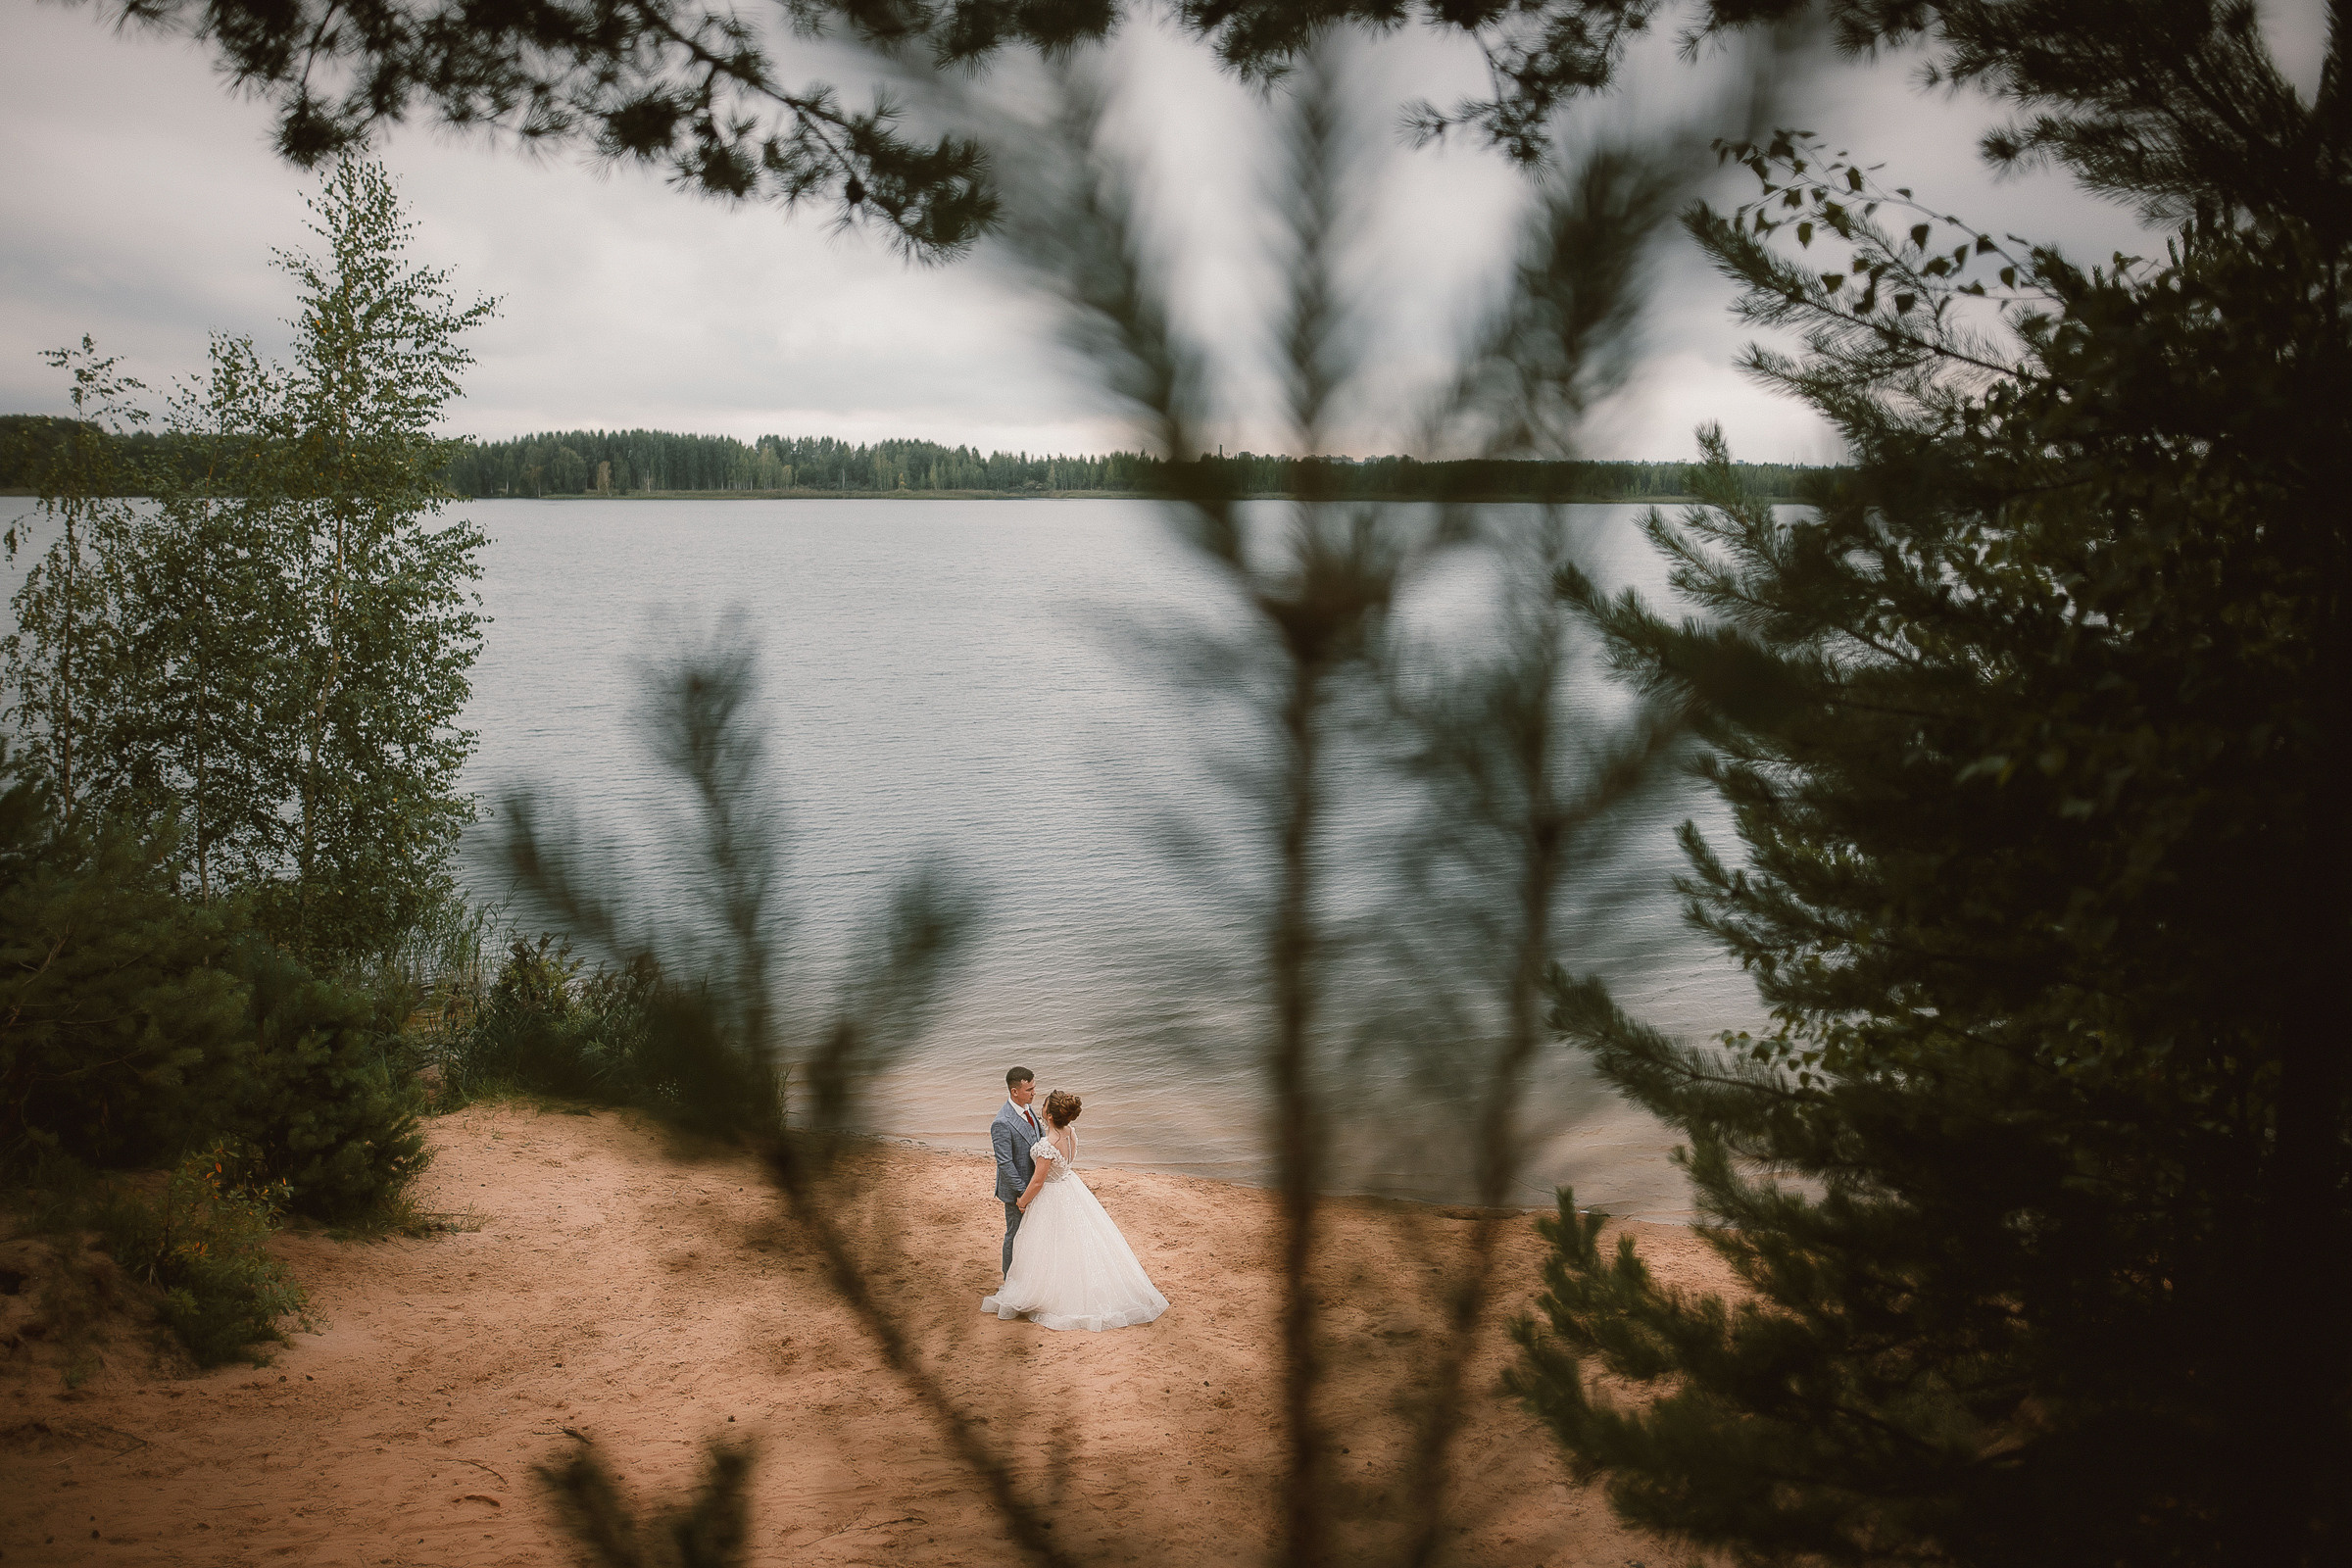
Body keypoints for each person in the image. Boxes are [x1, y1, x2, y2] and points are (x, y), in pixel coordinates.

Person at [982, 1088, 1169, 1332]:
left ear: (1049, 1115)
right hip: (1069, 1185)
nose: (1041, 1106)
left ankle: (1051, 1291)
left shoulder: (1047, 1145)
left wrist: (1022, 1201)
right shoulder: (1070, 1132)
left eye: (1045, 1105)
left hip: (1051, 1193)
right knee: (1075, 1240)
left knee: (1046, 1244)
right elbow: (1068, 1162)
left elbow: (1038, 1181)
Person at [990, 1066, 1043, 1276]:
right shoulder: (1002, 1122)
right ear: (1015, 1091)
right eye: (1029, 1089)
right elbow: (1005, 1164)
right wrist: (1024, 1193)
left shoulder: (1028, 1109)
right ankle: (1009, 1279)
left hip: (1032, 1187)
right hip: (1016, 1192)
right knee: (1015, 1235)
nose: (1034, 1092)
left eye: (1033, 1088)